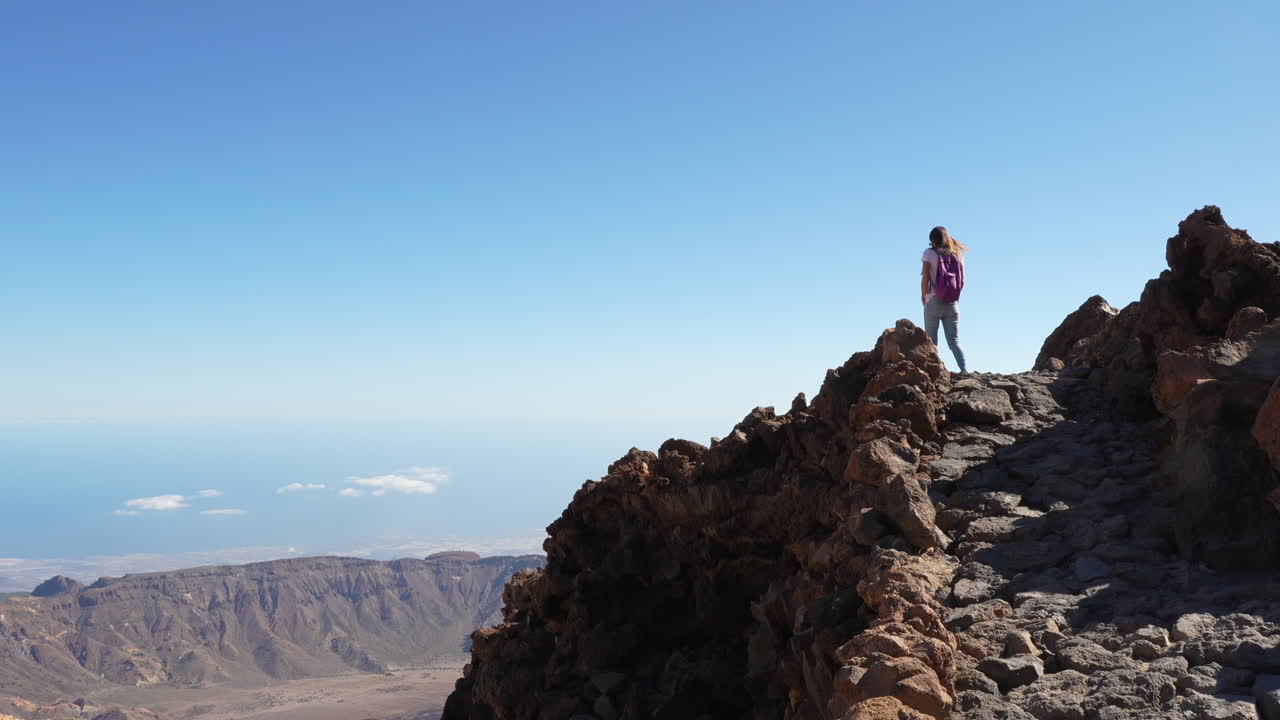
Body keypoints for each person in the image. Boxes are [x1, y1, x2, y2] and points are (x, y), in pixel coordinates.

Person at [920, 226, 968, 372]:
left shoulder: (929, 253)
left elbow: (926, 277)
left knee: (931, 341)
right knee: (954, 341)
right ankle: (964, 370)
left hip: (933, 301)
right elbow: (962, 281)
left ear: (932, 240)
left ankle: (934, 372)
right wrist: (952, 295)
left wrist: (923, 296)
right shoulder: (957, 255)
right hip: (952, 303)